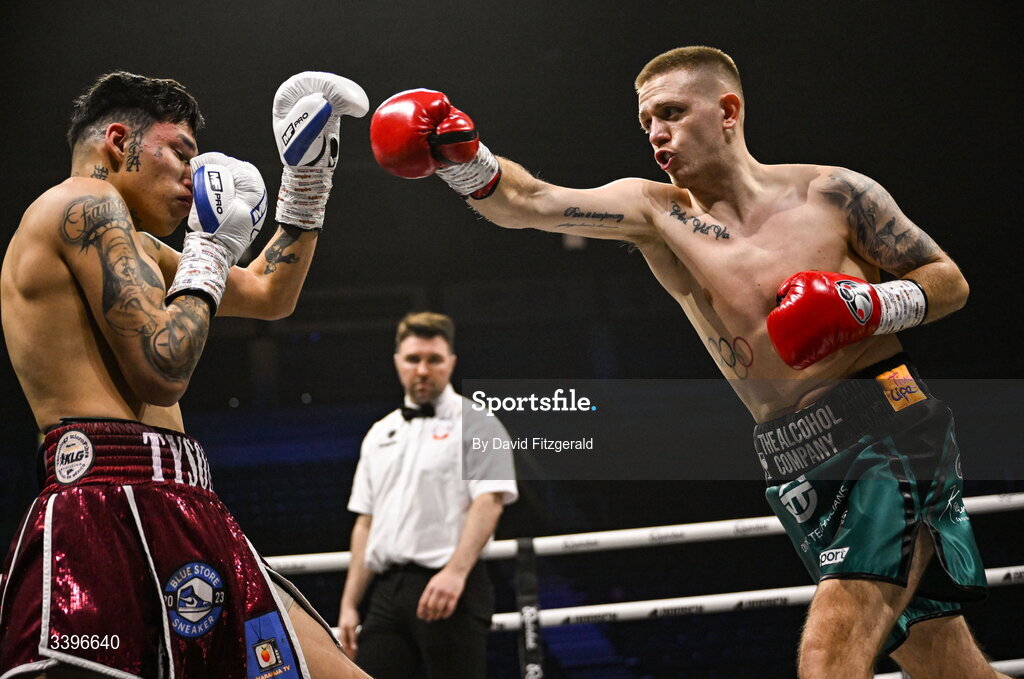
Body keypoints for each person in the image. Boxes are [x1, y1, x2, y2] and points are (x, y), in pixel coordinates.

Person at [366, 47, 1009, 678]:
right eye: (645, 121)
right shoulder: (658, 212)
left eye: (671, 112)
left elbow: (947, 280)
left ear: (727, 109)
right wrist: (462, 158)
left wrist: (869, 306)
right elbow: (528, 202)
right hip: (792, 455)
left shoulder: (833, 192)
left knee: (829, 652)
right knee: (944, 664)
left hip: (886, 425)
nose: (655, 133)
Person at [0, 70, 372, 678]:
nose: (191, 178)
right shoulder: (81, 206)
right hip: (108, 504)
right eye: (179, 153)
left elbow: (270, 294)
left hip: (182, 501)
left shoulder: (140, 247)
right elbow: (161, 369)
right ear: (119, 141)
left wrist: (306, 178)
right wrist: (209, 251)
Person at [337, 311, 518, 678]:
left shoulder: (481, 423)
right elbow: (366, 521)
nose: (422, 369)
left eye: (433, 359)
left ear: (450, 363)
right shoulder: (379, 433)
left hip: (452, 585)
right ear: (397, 363)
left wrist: (455, 573)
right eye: (413, 359)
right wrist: (349, 604)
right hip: (387, 592)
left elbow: (489, 502)